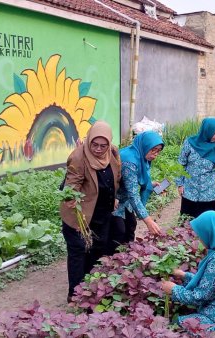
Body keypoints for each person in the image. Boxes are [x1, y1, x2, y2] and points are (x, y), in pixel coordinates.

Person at [59, 121, 121, 302]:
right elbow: (71, 188)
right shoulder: (79, 157)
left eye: (103, 145)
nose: (98, 149)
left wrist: (114, 197)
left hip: (101, 213)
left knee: (97, 249)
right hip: (80, 215)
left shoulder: (113, 153)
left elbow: (116, 176)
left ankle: (89, 288)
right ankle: (75, 295)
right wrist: (78, 218)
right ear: (88, 141)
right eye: (94, 144)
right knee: (78, 252)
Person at [114, 131, 165, 243]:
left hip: (126, 199)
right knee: (118, 232)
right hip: (114, 201)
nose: (156, 154)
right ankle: (112, 258)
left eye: (158, 151)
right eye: (153, 150)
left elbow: (133, 182)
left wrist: (151, 185)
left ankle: (128, 256)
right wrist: (148, 220)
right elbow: (133, 194)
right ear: (145, 146)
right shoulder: (129, 162)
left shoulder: (141, 156)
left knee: (131, 225)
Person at [176, 117, 215, 219]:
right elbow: (181, 163)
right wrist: (179, 184)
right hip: (191, 192)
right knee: (188, 226)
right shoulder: (189, 143)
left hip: (211, 194)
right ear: (207, 131)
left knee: (210, 225)